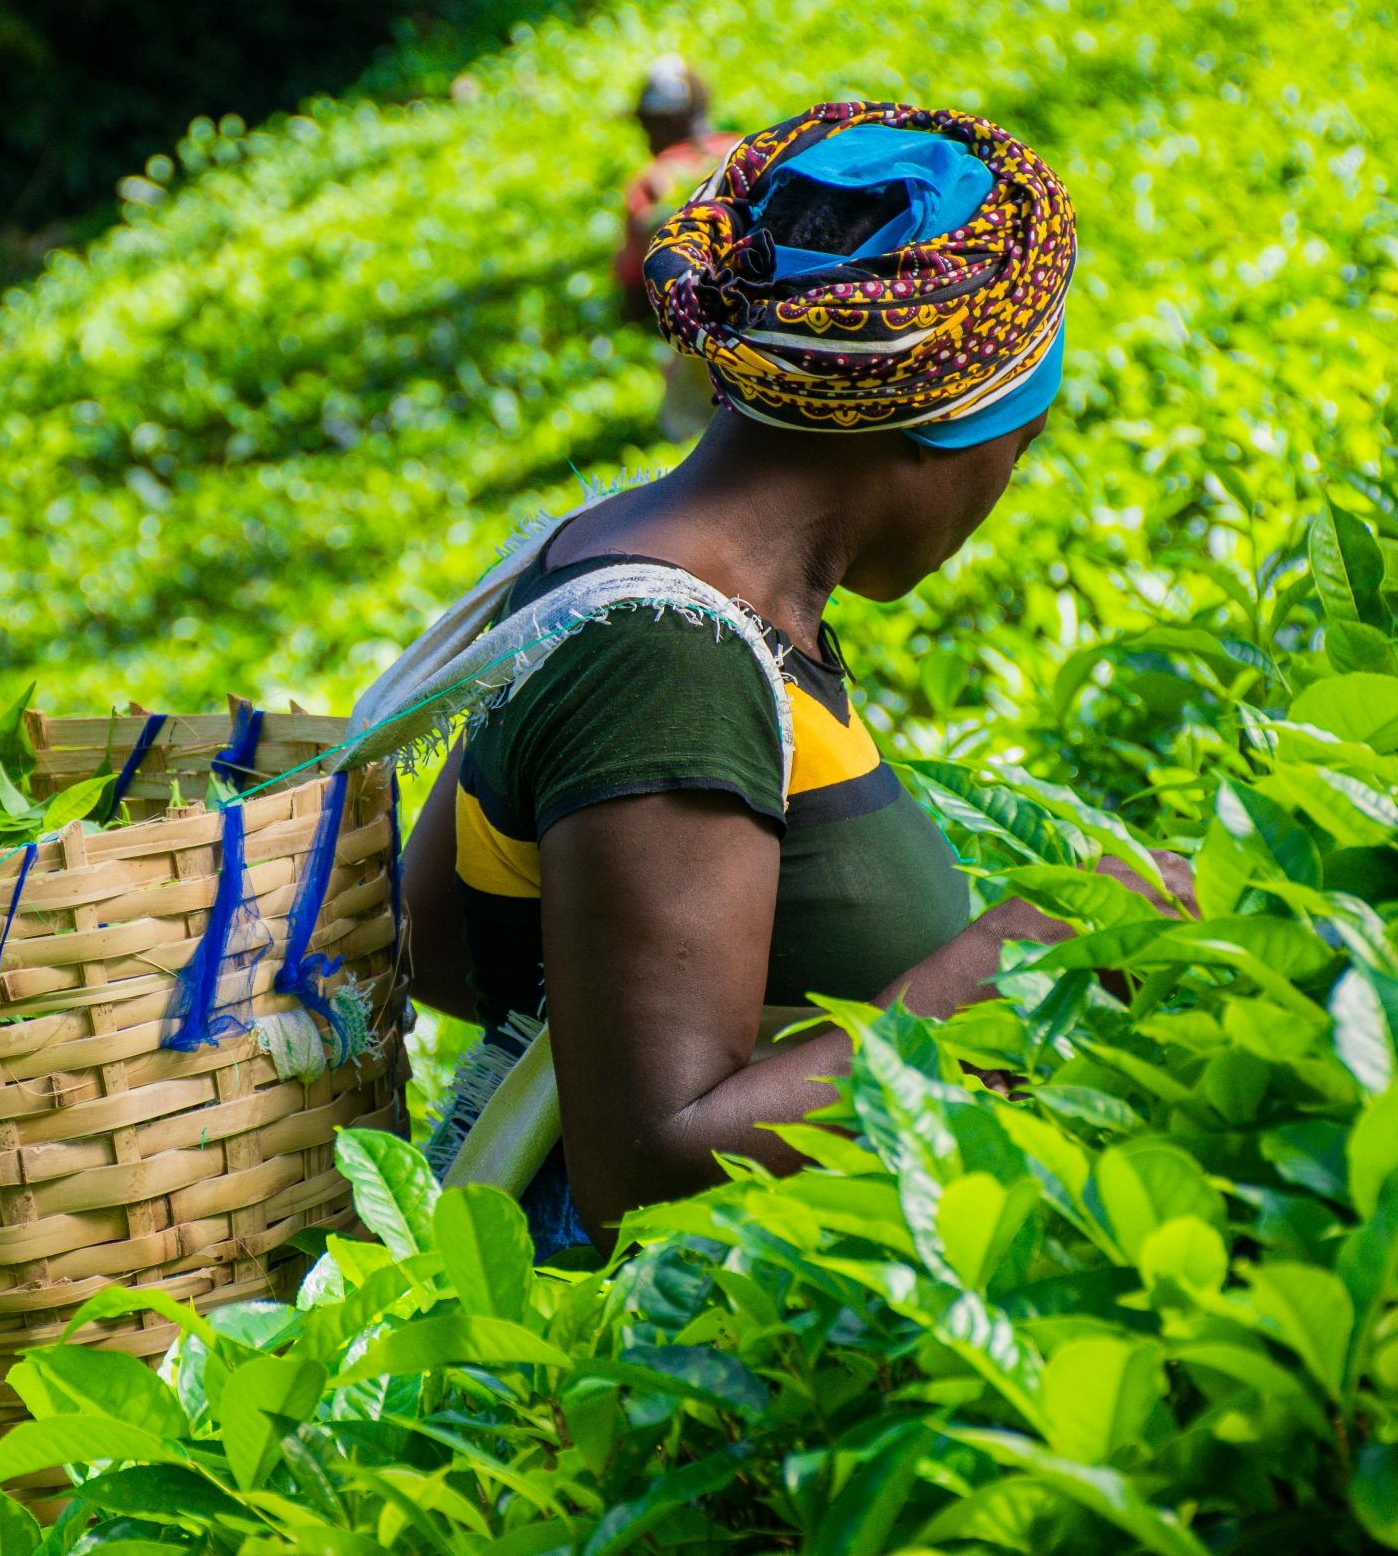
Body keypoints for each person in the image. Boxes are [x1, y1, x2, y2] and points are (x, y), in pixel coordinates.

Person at [390, 102, 1192, 1257]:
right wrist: (998, 974)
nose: (1011, 478)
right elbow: (648, 1171)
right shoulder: (671, 656)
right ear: (942, 423)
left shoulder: (615, 550)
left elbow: (453, 931)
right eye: (1025, 441)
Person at [616, 57, 742, 440]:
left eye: (645, 124)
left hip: (702, 342)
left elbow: (632, 292)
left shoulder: (654, 182)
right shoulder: (744, 150)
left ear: (663, 123)